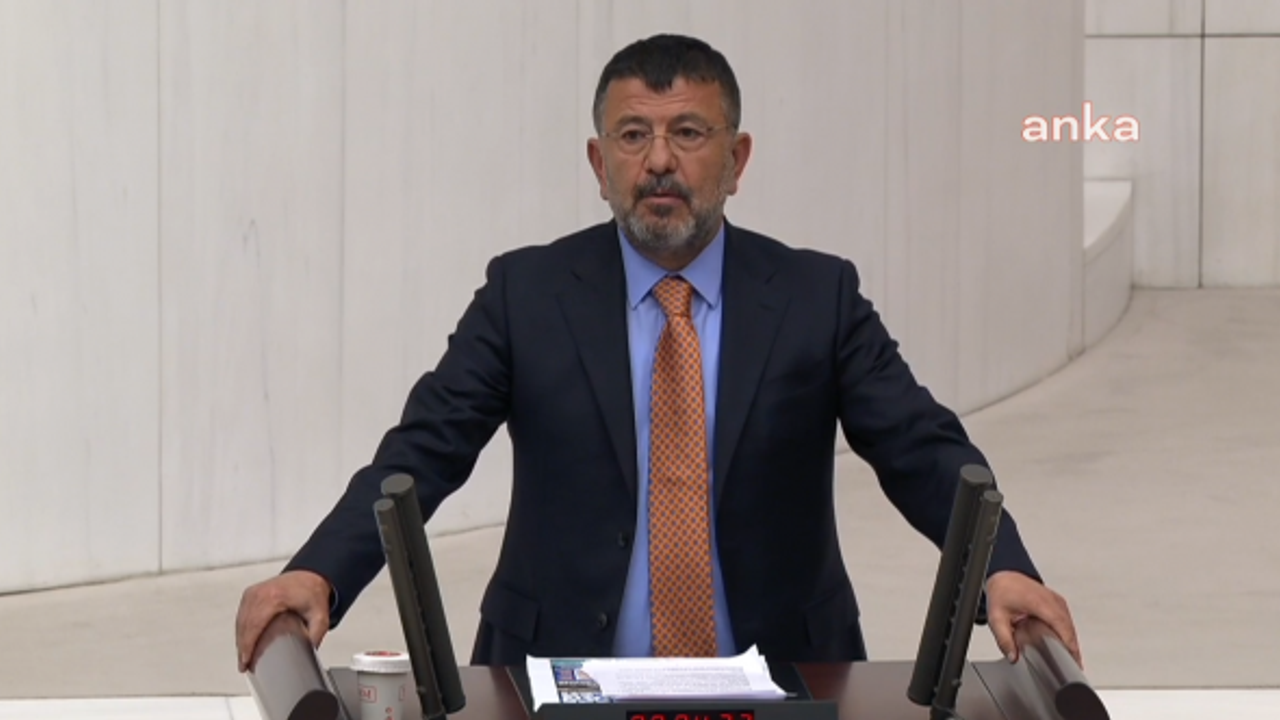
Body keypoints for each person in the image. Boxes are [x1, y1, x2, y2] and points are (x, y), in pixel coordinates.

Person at [235, 33, 1081, 671]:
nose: (660, 161)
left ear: (737, 159)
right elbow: (423, 451)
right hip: (556, 679)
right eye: (633, 135)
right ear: (599, 163)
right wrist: (320, 573)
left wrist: (1001, 569)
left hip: (783, 676)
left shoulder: (814, 297)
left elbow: (919, 447)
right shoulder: (527, 295)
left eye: (689, 132)